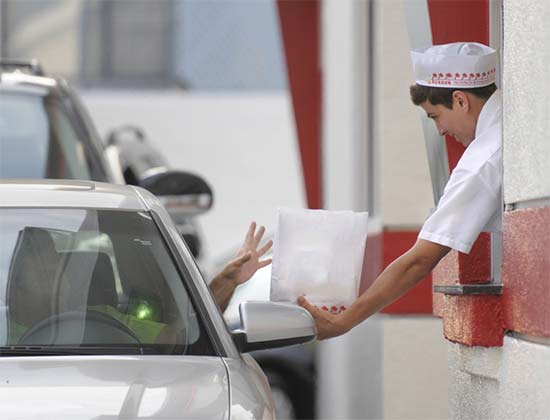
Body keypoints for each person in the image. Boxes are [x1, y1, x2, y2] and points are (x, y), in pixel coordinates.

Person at [298, 42, 502, 339]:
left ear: (460, 100)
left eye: (434, 116)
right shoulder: (513, 126)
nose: (441, 131)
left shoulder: (482, 160)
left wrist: (343, 321)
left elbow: (419, 260)